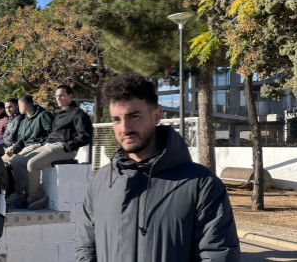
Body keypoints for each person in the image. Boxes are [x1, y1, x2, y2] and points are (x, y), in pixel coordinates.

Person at [75, 73, 240, 262]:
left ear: (157, 116)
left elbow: (218, 255)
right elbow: (85, 246)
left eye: (134, 116)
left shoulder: (201, 185)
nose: (124, 128)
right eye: (116, 120)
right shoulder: (100, 181)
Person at [19, 84, 93, 209]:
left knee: (33, 164)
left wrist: (68, 146)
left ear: (70, 96)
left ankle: (33, 196)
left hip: (63, 148)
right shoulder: (59, 115)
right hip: (50, 145)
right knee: (19, 161)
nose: (58, 98)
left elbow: (85, 135)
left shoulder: (78, 114)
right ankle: (33, 191)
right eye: (57, 96)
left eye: (62, 95)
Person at [4, 95, 53, 207]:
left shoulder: (44, 115)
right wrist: (13, 149)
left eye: (19, 106)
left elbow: (52, 134)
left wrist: (43, 145)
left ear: (24, 107)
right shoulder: (24, 121)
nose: (18, 109)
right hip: (26, 148)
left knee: (16, 160)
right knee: (1, 160)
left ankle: (22, 192)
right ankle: (8, 192)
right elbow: (21, 140)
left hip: (38, 145)